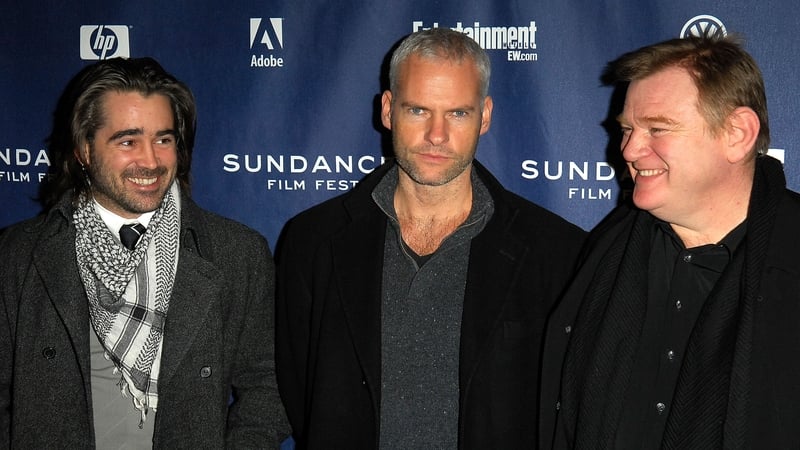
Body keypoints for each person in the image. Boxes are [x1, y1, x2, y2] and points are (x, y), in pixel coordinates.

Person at [275, 27, 586, 449]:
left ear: (485, 115)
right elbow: (298, 390)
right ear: (388, 110)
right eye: (418, 110)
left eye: (457, 113)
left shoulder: (556, 253)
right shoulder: (313, 242)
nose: (436, 135)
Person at [0, 57, 288, 448]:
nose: (151, 161)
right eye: (128, 140)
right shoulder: (18, 255)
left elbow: (270, 385)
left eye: (164, 139)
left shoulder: (236, 253)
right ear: (85, 149)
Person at [539, 34, 800, 449]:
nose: (629, 149)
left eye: (657, 128)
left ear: (737, 133)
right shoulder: (607, 249)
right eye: (627, 128)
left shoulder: (790, 259)